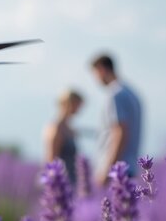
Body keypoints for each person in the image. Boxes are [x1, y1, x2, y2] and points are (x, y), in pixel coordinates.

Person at [91, 54, 142, 185]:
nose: (95, 79)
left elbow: (120, 132)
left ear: (102, 69)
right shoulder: (131, 93)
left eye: (95, 74)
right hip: (130, 167)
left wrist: (107, 170)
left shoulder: (115, 94)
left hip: (117, 172)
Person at [44, 89, 83, 183]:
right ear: (69, 104)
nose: (79, 109)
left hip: (72, 179)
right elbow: (51, 160)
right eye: (77, 105)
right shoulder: (56, 128)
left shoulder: (69, 128)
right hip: (62, 180)